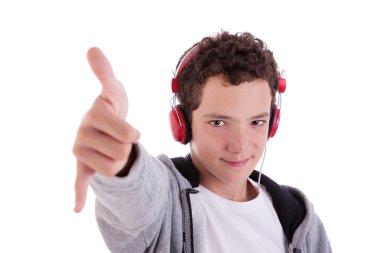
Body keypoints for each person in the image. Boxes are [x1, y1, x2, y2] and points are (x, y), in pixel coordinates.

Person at [72, 31, 332, 252]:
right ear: (182, 124)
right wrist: (120, 160)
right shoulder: (165, 202)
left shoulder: (298, 216)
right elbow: (139, 196)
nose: (240, 145)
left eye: (256, 122)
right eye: (218, 122)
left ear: (273, 122)